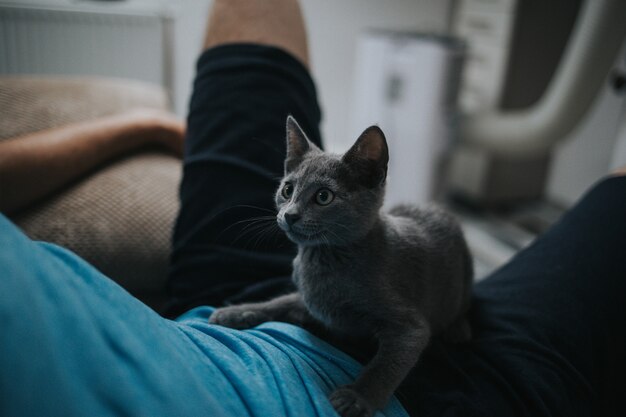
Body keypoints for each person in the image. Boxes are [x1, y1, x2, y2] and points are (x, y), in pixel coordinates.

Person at [1, 1, 625, 416]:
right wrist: (267, 314)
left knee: (248, 36)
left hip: (330, 326)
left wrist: (366, 390)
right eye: (287, 191)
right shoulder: (310, 235)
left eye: (317, 197)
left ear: (370, 182)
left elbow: (405, 325)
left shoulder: (373, 248)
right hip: (288, 389)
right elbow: (343, 312)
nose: (291, 212)